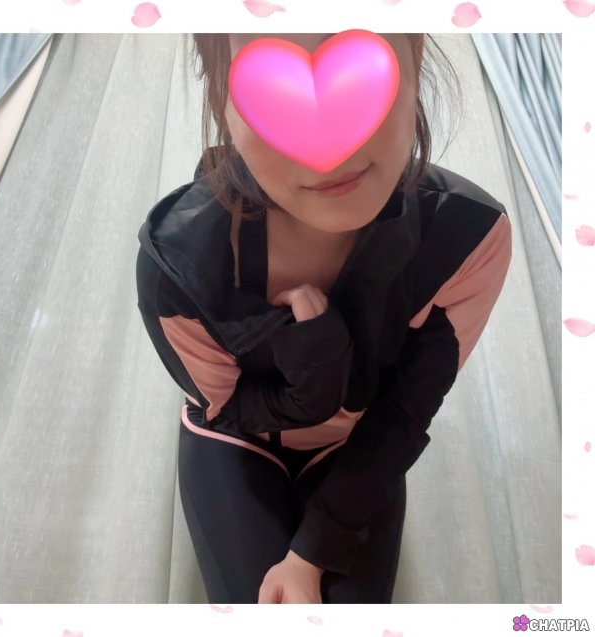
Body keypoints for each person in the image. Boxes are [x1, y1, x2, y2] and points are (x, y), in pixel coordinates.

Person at [135, 33, 512, 604]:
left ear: (416, 60)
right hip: (230, 438)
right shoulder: (178, 262)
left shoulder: (468, 236)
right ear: (221, 107)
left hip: (357, 445)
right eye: (275, 96)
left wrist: (312, 553)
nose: (327, 148)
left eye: (360, 83)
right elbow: (228, 408)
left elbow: (402, 413)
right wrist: (316, 366)